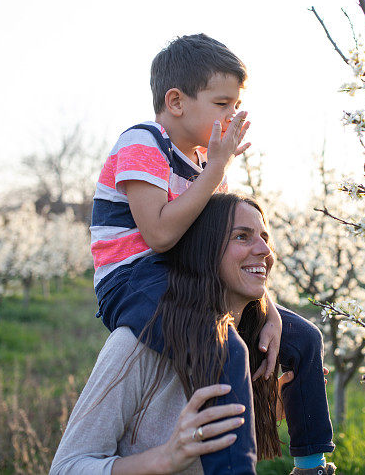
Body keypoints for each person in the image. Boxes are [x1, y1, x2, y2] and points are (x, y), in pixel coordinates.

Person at [90, 35, 334, 472]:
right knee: (227, 348)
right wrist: (218, 169)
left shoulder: (204, 163)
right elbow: (161, 235)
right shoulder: (143, 144)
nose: (233, 115)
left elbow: (213, 251)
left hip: (184, 276)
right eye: (223, 104)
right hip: (131, 281)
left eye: (237, 105)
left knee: (304, 338)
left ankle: (312, 464)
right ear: (177, 101)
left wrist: (268, 307)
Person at [52, 194, 282, 474]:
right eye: (242, 236)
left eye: (265, 237)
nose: (264, 250)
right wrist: (163, 459)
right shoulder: (135, 346)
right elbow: (66, 467)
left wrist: (262, 414)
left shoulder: (253, 345)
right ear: (204, 250)